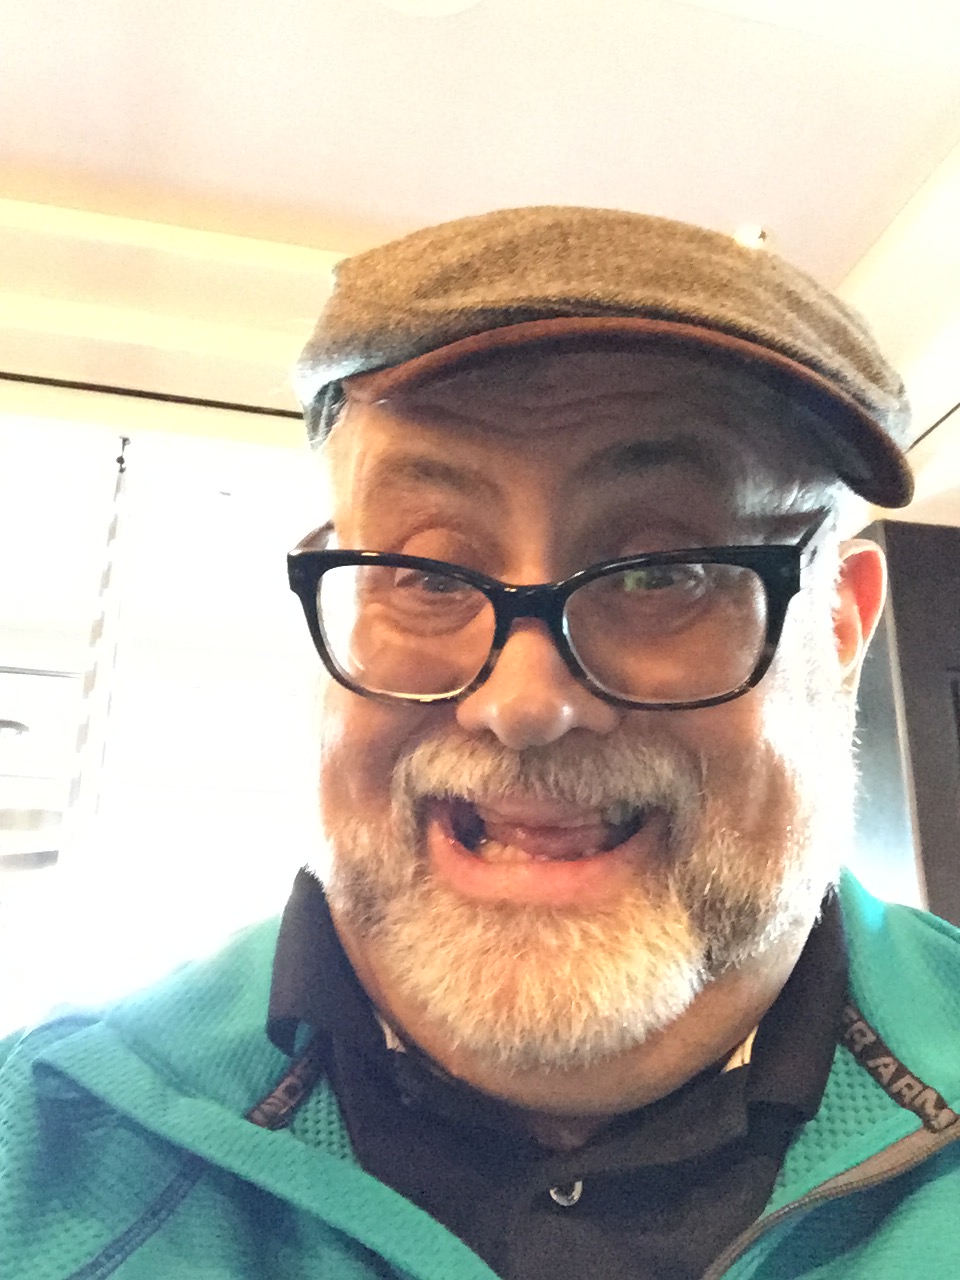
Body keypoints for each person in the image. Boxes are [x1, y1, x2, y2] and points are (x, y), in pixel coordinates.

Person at [1, 205, 958, 1279]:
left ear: (839, 627)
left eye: (664, 571)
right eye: (425, 572)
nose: (525, 701)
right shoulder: (35, 1153)